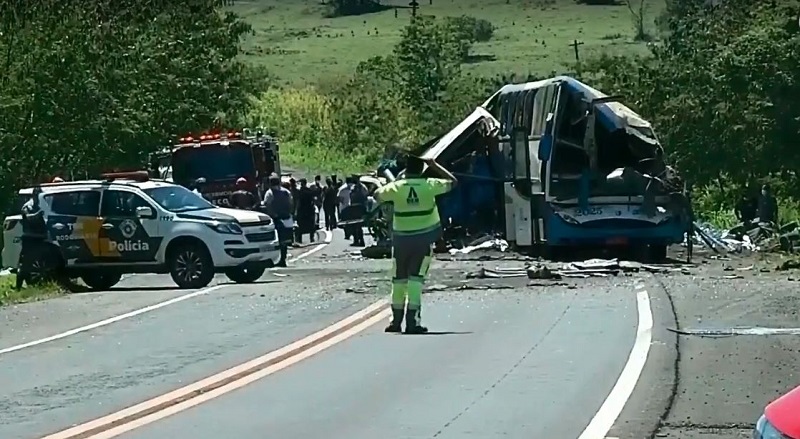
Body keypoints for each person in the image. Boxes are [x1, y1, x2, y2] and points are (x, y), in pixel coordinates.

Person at [374, 155, 457, 334]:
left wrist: (397, 182)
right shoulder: (430, 185)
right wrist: (434, 165)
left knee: (398, 280)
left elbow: (377, 195)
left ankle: (395, 322)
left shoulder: (397, 187)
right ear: (421, 170)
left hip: (401, 241)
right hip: (423, 240)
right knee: (415, 281)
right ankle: (413, 322)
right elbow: (453, 182)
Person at [16, 187, 48, 290]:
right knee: (26, 263)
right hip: (29, 237)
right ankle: (18, 287)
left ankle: (32, 283)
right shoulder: (28, 206)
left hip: (38, 237)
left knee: (37, 263)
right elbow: (27, 217)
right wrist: (38, 214)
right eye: (37, 195)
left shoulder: (38, 205)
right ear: (34, 195)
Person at [263, 175, 294, 267]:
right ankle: (282, 259)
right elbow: (291, 203)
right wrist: (289, 213)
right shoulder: (286, 192)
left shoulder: (269, 193)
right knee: (284, 241)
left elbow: (266, 204)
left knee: (274, 240)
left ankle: (273, 260)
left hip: (275, 219)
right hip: (286, 218)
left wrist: (272, 215)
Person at [348, 175, 368, 247]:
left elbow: (365, 196)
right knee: (354, 225)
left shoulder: (362, 187)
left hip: (359, 207)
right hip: (354, 207)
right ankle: (356, 240)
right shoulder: (353, 187)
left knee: (358, 225)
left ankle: (361, 241)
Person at [295, 178, 316, 243]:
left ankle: (299, 239)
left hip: (302, 210)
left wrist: (296, 210)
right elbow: (313, 200)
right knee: (311, 224)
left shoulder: (300, 192)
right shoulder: (309, 191)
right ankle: (311, 238)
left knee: (300, 225)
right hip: (309, 209)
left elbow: (298, 202)